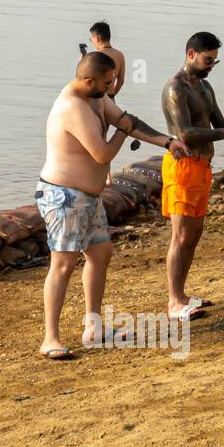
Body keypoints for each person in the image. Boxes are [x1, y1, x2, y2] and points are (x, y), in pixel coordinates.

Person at [36, 52, 190, 359]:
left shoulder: (97, 97)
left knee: (100, 253)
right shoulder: (73, 107)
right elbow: (103, 155)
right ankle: (50, 338)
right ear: (89, 80)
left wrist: (167, 142)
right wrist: (122, 132)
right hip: (63, 196)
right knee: (63, 264)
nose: (112, 88)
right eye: (107, 83)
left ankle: (93, 328)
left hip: (88, 198)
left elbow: (127, 120)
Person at [160, 32, 224, 320]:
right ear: (190, 54)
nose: (210, 65)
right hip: (183, 167)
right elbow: (184, 133)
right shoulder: (176, 88)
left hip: (203, 166)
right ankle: (174, 302)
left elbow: (218, 124)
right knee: (181, 235)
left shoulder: (206, 87)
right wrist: (223, 133)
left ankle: (182, 295)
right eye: (207, 60)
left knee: (194, 235)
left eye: (214, 61)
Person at [89, 21, 126, 98]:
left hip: (97, 100)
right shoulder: (120, 55)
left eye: (91, 39)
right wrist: (111, 97)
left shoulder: (95, 56)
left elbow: (84, 81)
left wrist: (81, 62)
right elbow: (121, 81)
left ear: (96, 38)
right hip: (110, 97)